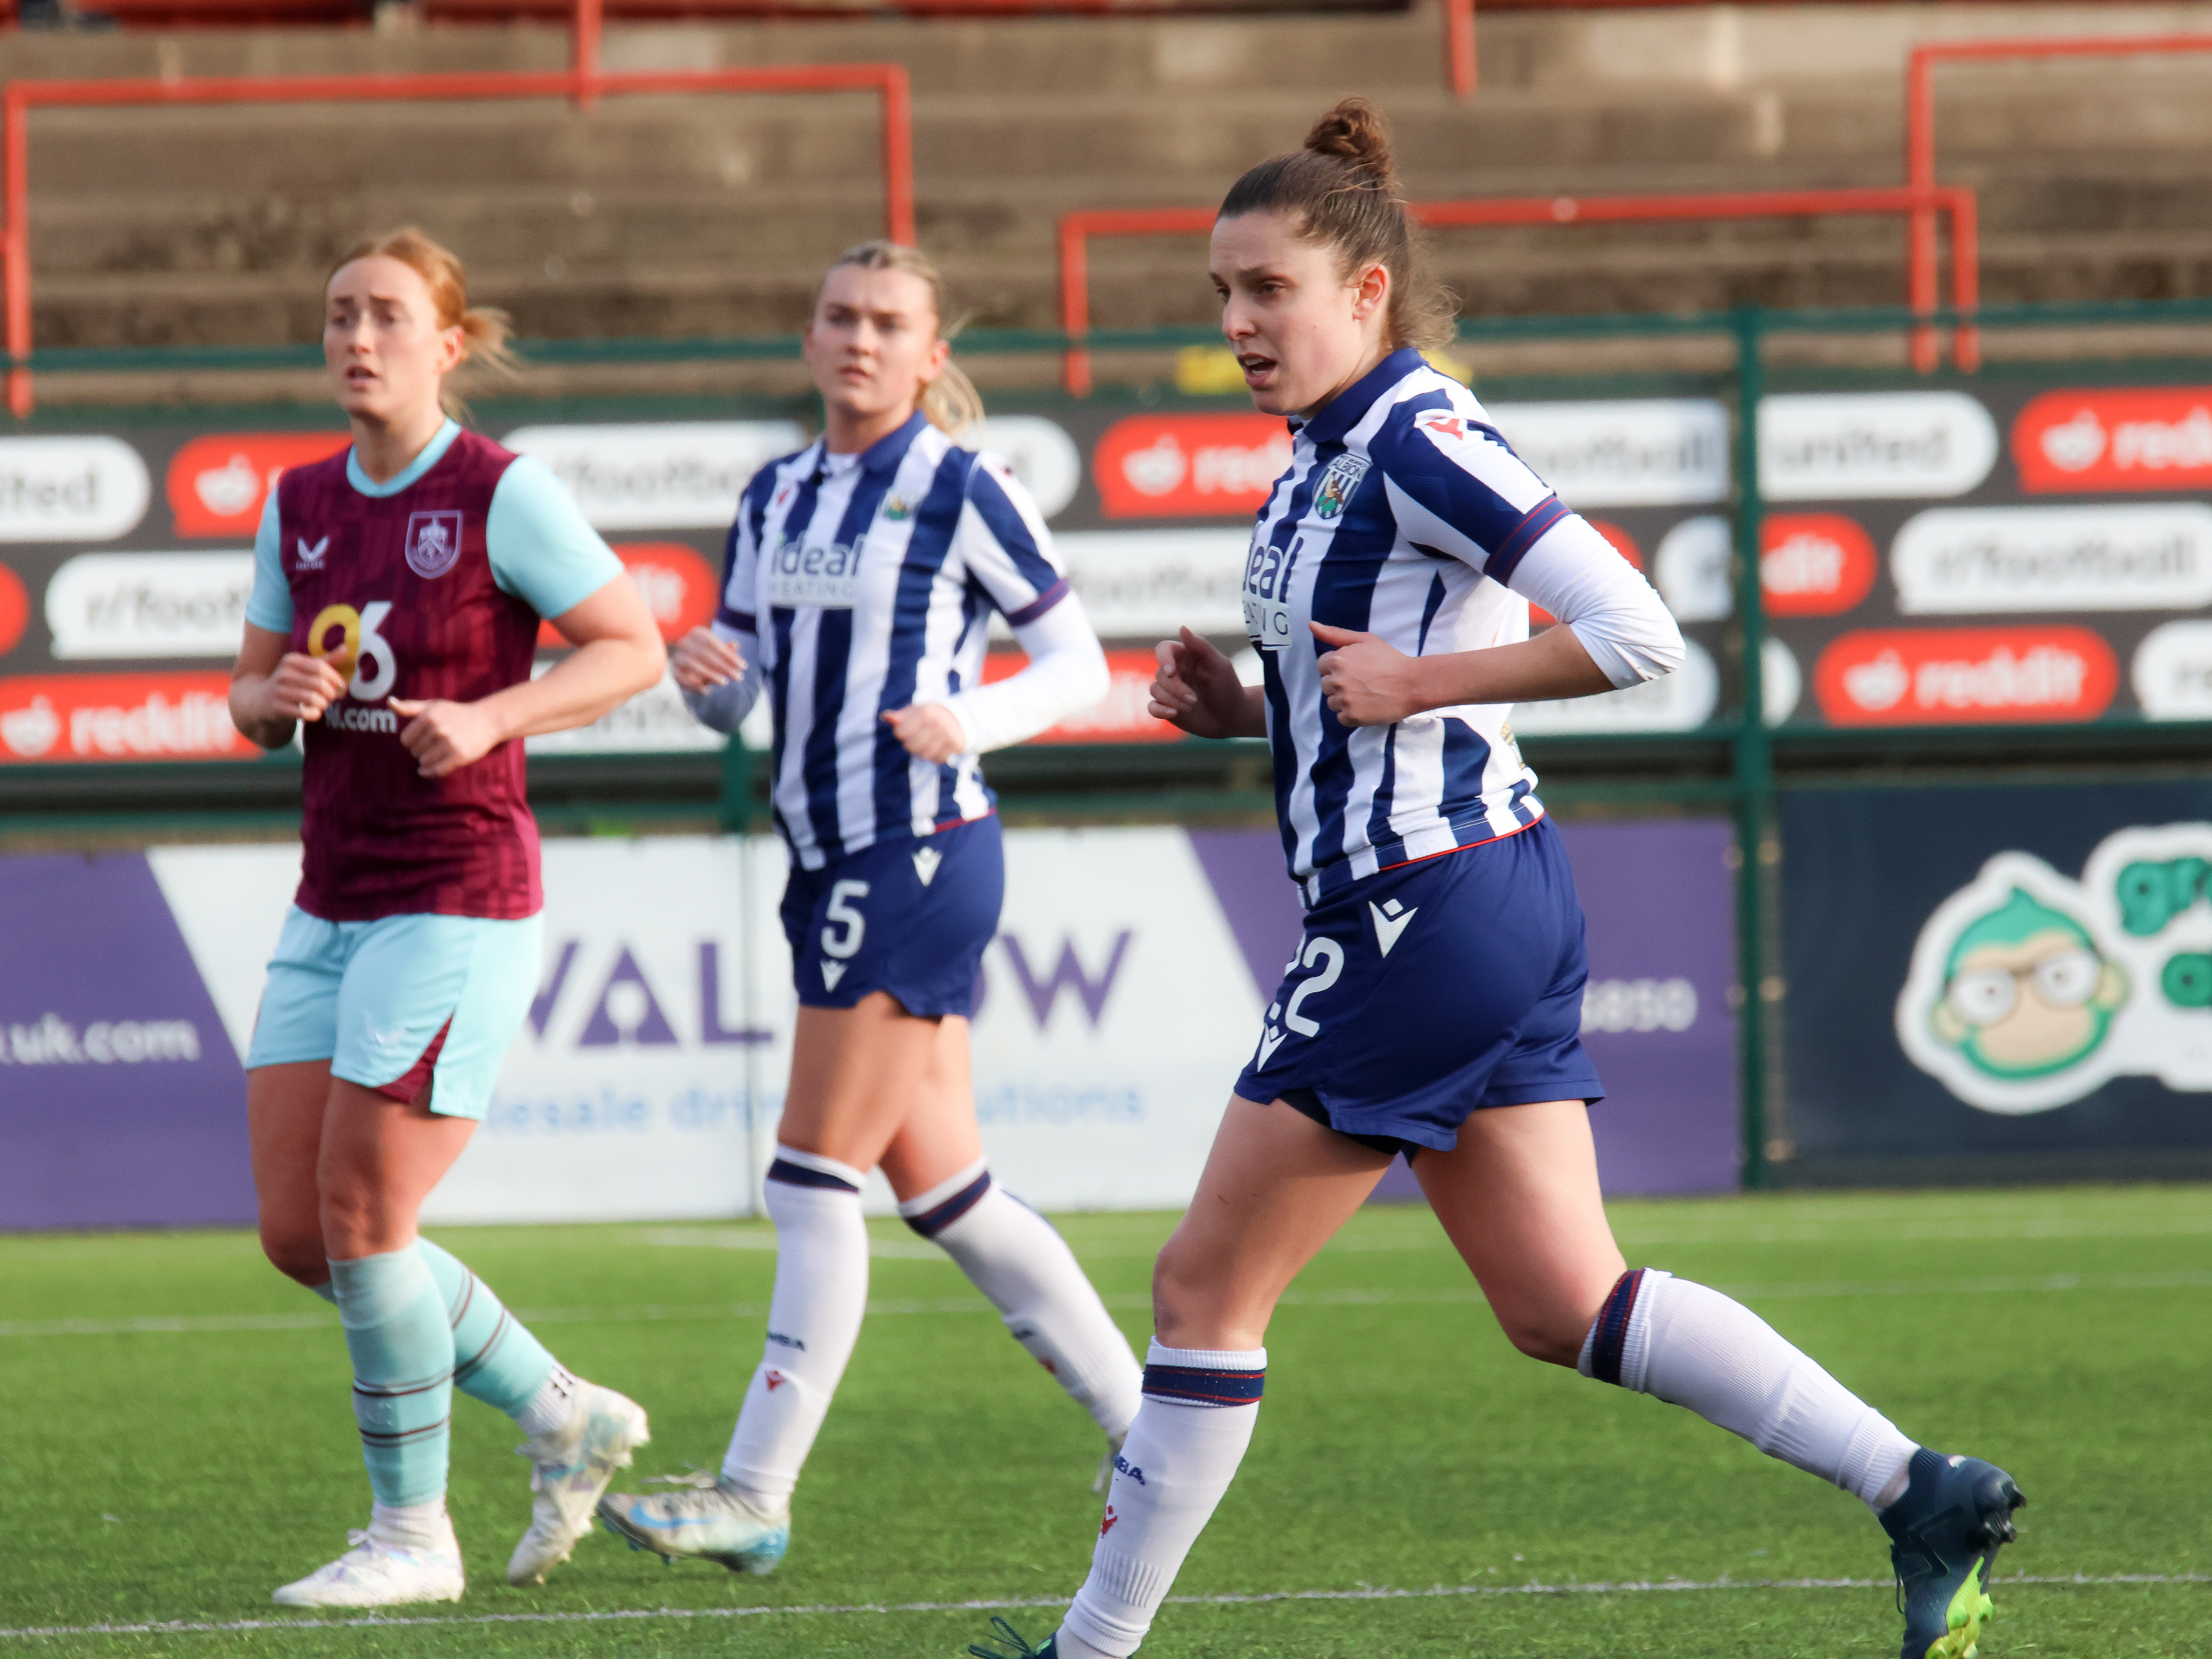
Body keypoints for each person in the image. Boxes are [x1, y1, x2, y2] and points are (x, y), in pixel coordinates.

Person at [969, 101, 2023, 1659]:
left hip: (1428, 907)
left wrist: (1421, 683)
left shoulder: (1418, 435)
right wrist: (1247, 710)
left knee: (1199, 1286)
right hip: (1467, 895)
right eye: (1221, 294)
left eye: (1267, 289)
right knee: (1562, 1301)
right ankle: (1918, 1484)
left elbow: (1635, 630)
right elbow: (1362, 683)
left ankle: (1087, 1651)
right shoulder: (1316, 458)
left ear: (1365, 292)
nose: (1240, 321)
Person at [595, 240, 1142, 1574]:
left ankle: (753, 1489)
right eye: (840, 315)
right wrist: (708, 678)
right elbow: (743, 691)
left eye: (890, 322)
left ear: (931, 354)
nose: (860, 338)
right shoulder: (776, 494)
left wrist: (974, 717)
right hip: (824, 854)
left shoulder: (963, 488)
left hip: (918, 850)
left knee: (805, 1178)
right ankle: (1152, 1429)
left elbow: (1076, 663)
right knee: (946, 1192)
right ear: (808, 334)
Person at [228, 228, 669, 1608]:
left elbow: (631, 645)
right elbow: (244, 700)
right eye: (339, 313)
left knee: (365, 1208)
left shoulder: (499, 492)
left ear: (449, 344)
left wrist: (491, 714)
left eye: (387, 317)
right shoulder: (297, 500)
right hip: (331, 895)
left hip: (456, 892)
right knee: (304, 1236)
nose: (358, 337)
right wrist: (275, 698)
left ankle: (413, 1538)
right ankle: (560, 1409)